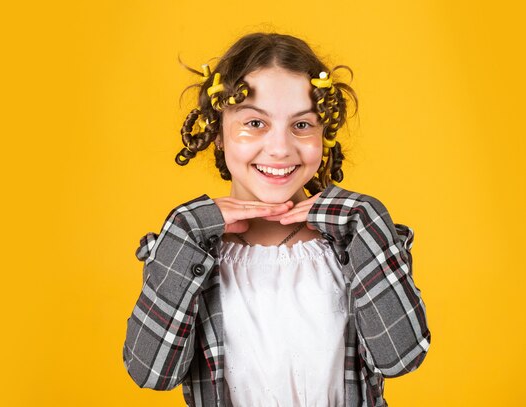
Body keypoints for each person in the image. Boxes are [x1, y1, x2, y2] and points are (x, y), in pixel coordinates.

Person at [123, 32, 430, 407]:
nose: (281, 148)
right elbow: (151, 372)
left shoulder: (354, 240)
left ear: (324, 133)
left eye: (302, 125)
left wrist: (367, 220)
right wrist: (185, 227)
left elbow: (401, 357)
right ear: (218, 132)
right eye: (255, 123)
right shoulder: (187, 250)